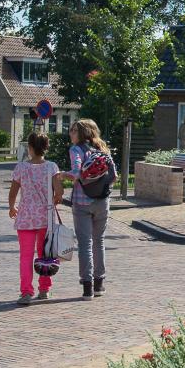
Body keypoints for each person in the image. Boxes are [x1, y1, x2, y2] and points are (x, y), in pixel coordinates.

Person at [9, 133, 63, 304]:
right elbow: (59, 192)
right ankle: (45, 289)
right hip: (45, 218)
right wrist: (54, 199)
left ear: (30, 148)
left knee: (25, 256)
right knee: (45, 254)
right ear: (46, 147)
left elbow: (13, 191)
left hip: (25, 217)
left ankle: (26, 292)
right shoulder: (52, 167)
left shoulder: (21, 168)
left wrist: (12, 207)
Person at [65, 118, 116, 299]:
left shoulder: (76, 149)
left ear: (82, 133)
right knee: (99, 242)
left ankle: (87, 287)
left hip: (82, 202)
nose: (70, 133)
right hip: (103, 202)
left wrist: (60, 174)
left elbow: (76, 173)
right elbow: (114, 177)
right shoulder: (103, 149)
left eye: (73, 130)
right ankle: (99, 285)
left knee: (85, 244)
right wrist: (100, 188)